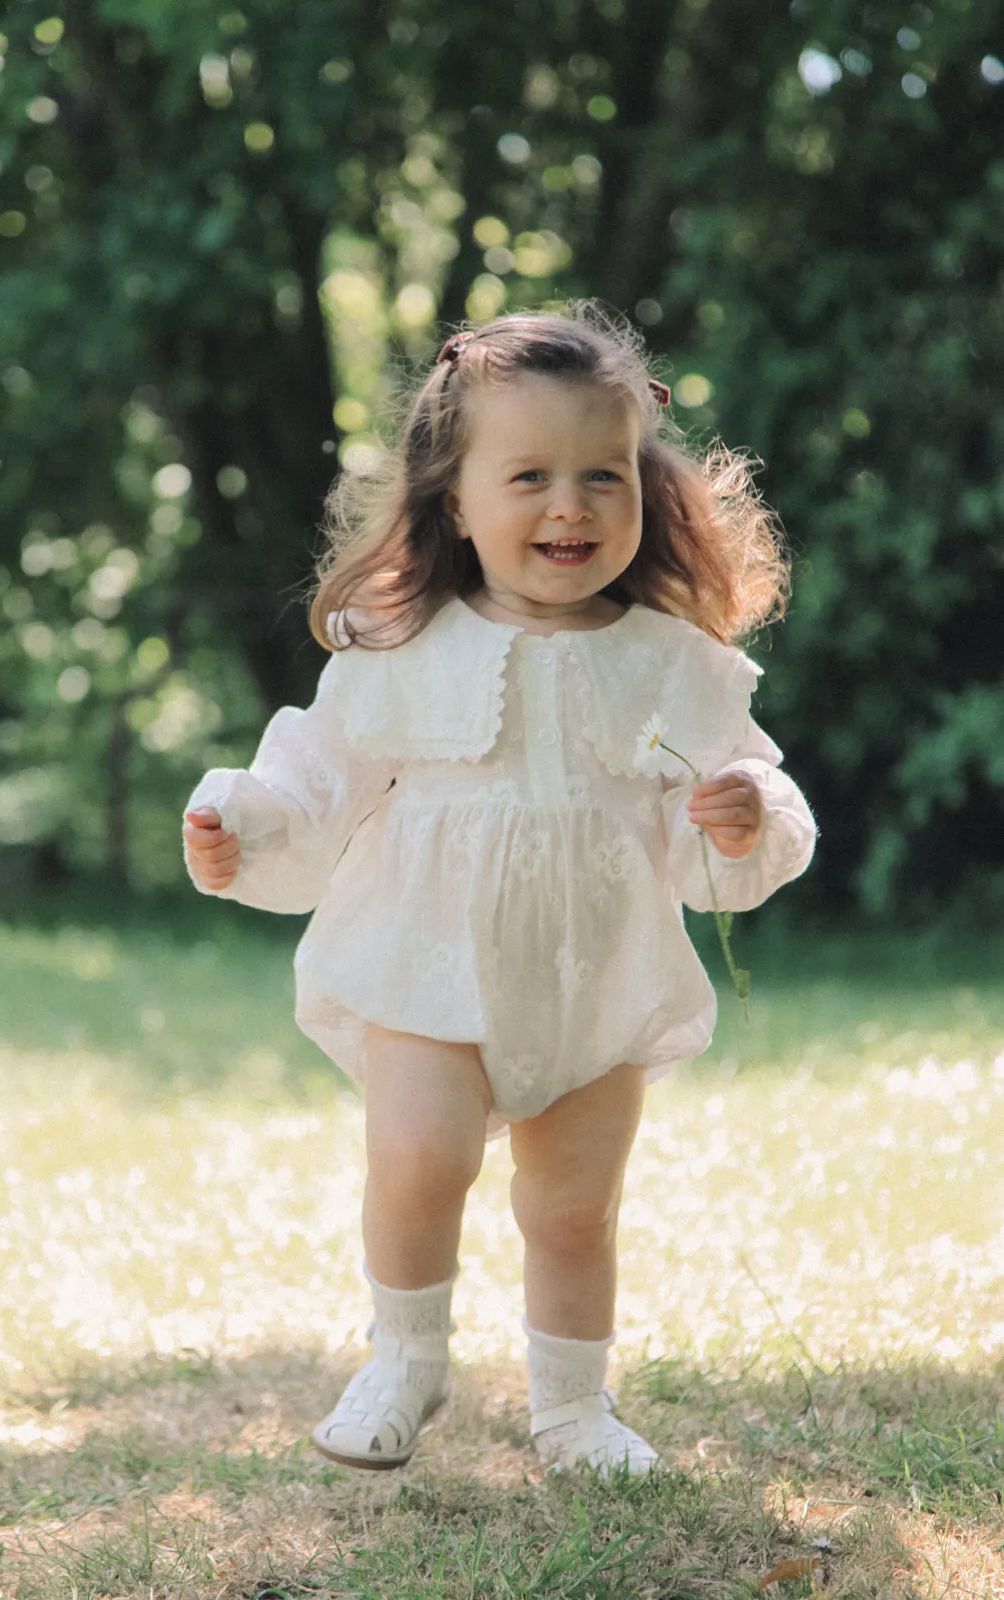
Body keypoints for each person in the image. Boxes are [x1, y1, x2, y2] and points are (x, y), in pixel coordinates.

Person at [182, 305, 816, 1477]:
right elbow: (314, 774)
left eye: (601, 475)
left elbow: (751, 803)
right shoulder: (401, 646)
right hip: (424, 957)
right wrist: (244, 824)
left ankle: (574, 1408)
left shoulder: (671, 665)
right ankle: (405, 1357)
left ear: (644, 486)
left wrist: (742, 813)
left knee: (572, 1205)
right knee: (417, 1155)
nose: (567, 505)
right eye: (527, 475)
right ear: (455, 499)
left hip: (595, 972)